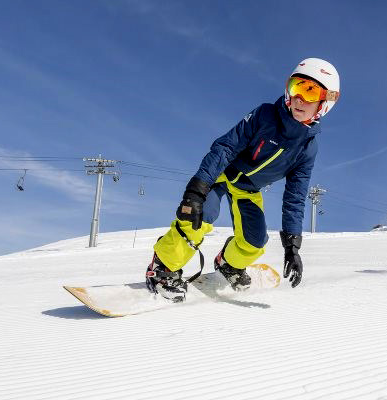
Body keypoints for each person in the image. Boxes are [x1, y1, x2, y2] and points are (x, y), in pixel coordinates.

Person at [145, 58, 341, 302]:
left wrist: (292, 245)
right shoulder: (265, 115)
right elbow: (225, 148)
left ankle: (228, 264)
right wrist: (197, 189)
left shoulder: (307, 148)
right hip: (222, 175)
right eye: (297, 87)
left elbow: (295, 196)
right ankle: (162, 269)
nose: (300, 98)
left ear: (325, 102)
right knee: (197, 216)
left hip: (248, 190)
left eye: (310, 92)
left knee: (255, 241)